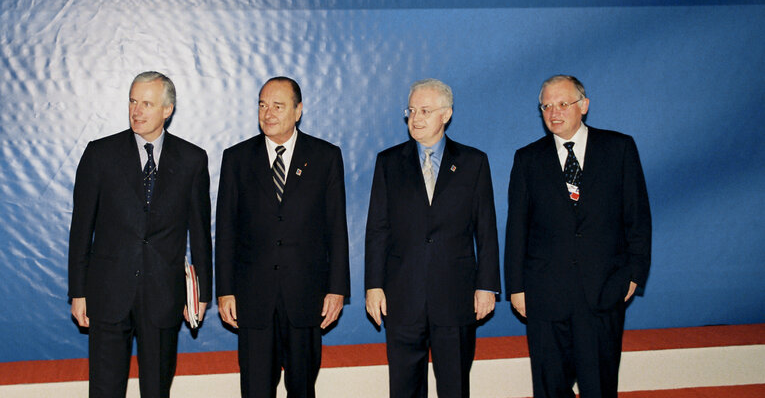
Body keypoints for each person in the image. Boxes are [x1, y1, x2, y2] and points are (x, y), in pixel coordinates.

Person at [505, 75, 652, 398]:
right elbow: (517, 229)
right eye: (546, 106)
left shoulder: (619, 148)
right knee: (550, 387)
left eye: (562, 103)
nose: (554, 112)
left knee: (599, 386)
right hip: (544, 295)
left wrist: (633, 274)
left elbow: (638, 217)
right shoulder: (527, 159)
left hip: (603, 290)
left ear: (583, 106)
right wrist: (516, 287)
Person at [68, 71, 212, 398]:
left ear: (167, 109)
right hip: (107, 295)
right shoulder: (99, 154)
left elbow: (201, 233)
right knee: (104, 390)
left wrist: (202, 293)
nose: (137, 110)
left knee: (157, 390)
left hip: (164, 295)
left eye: (147, 103)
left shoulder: (192, 159)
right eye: (133, 101)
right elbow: (81, 230)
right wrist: (78, 291)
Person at [365, 78, 501, 398]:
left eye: (425, 110)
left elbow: (486, 229)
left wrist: (486, 286)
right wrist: (374, 285)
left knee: (454, 386)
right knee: (404, 387)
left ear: (446, 115)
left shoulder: (473, 162)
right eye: (411, 110)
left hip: (455, 296)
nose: (416, 117)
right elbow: (377, 229)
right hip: (402, 296)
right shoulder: (388, 162)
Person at [215, 76, 350, 398]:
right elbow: (226, 230)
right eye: (262, 105)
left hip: (306, 296)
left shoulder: (325, 157)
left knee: (302, 388)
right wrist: (225, 291)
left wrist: (337, 289)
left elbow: (336, 228)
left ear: (298, 110)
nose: (268, 113)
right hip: (252, 298)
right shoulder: (237, 158)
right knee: (256, 389)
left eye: (278, 106)